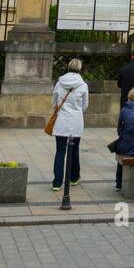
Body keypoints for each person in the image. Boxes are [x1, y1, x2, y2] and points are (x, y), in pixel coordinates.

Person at [51, 59, 89, 192]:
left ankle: (57, 182)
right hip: (76, 121)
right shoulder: (83, 85)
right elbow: (85, 105)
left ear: (68, 67)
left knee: (60, 151)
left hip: (62, 120)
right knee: (75, 150)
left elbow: (54, 102)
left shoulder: (59, 83)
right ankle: (74, 177)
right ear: (80, 68)